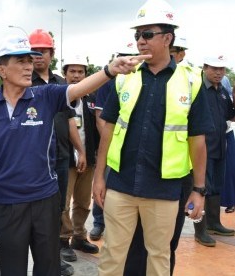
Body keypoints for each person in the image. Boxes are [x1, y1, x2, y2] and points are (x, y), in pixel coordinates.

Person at [0, 34, 147, 276]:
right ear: (2, 70)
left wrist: (109, 70)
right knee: (12, 268)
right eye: (20, 61)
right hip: (6, 202)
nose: (29, 66)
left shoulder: (45, 96)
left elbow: (78, 88)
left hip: (44, 200)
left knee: (48, 267)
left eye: (30, 60)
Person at [92, 0, 214, 275]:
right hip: (121, 185)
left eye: (147, 34)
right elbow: (108, 130)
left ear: (167, 38)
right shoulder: (125, 77)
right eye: (137, 35)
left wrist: (199, 189)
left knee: (158, 257)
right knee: (112, 255)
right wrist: (99, 177)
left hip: (163, 190)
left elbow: (198, 141)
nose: (140, 41)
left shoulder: (191, 82)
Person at [28, 28, 76, 276]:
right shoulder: (25, 83)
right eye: (34, 52)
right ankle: (44, 261)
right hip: (38, 159)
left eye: (43, 51)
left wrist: (81, 150)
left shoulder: (61, 84)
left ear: (51, 54)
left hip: (62, 156)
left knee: (59, 207)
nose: (38, 57)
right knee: (42, 211)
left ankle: (55, 258)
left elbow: (69, 120)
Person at [91, 40, 138, 242]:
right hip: (111, 146)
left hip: (131, 149)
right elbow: (101, 118)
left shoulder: (140, 80)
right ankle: (98, 223)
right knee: (102, 183)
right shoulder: (108, 82)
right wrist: (109, 145)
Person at [59, 54, 100, 259]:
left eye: (80, 72)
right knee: (63, 203)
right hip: (66, 160)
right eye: (72, 71)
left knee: (83, 201)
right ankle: (63, 240)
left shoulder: (92, 98)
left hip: (89, 159)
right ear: (64, 74)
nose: (76, 76)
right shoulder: (59, 98)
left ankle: (79, 236)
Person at [193, 54, 235, 247]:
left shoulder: (223, 92)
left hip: (219, 147)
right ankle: (200, 231)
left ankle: (214, 223)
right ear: (204, 67)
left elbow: (230, 117)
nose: (218, 73)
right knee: (201, 189)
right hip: (202, 149)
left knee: (216, 186)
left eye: (222, 69)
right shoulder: (197, 90)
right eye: (214, 68)